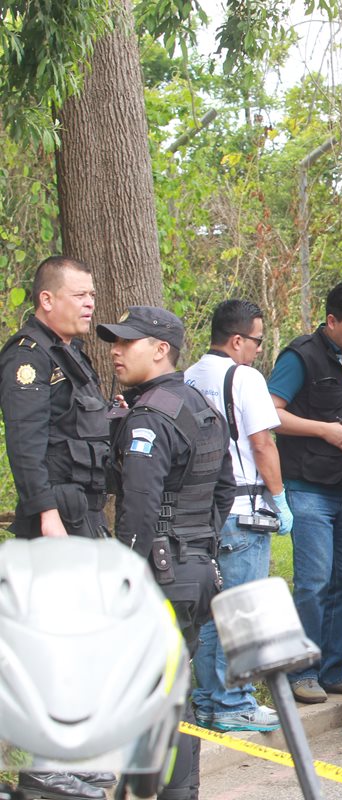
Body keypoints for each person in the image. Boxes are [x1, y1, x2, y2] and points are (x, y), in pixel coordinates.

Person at [100, 306, 234, 800]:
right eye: (113, 342)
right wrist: (197, 542)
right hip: (193, 569)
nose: (115, 350)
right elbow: (224, 490)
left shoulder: (151, 418)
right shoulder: (199, 405)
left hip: (157, 574)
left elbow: (136, 510)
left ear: (161, 350)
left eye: (126, 343)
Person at [0, 256, 113, 800]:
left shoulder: (71, 356)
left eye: (92, 294)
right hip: (56, 518)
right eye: (80, 294)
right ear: (48, 299)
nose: (90, 302)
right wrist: (46, 515)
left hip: (83, 512)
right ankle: (43, 767)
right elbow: (25, 447)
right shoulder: (28, 359)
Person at [185, 299, 292, 733]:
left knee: (212, 610)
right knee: (243, 610)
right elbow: (262, 443)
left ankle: (208, 699)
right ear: (236, 340)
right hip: (244, 510)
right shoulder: (244, 377)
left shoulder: (189, 376)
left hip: (206, 511)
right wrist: (280, 497)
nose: (258, 350)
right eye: (257, 341)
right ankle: (234, 702)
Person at [268, 281, 342, 704]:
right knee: (314, 582)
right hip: (309, 488)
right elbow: (269, 414)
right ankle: (302, 671)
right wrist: (323, 431)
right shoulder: (300, 357)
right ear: (330, 320)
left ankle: (334, 668)